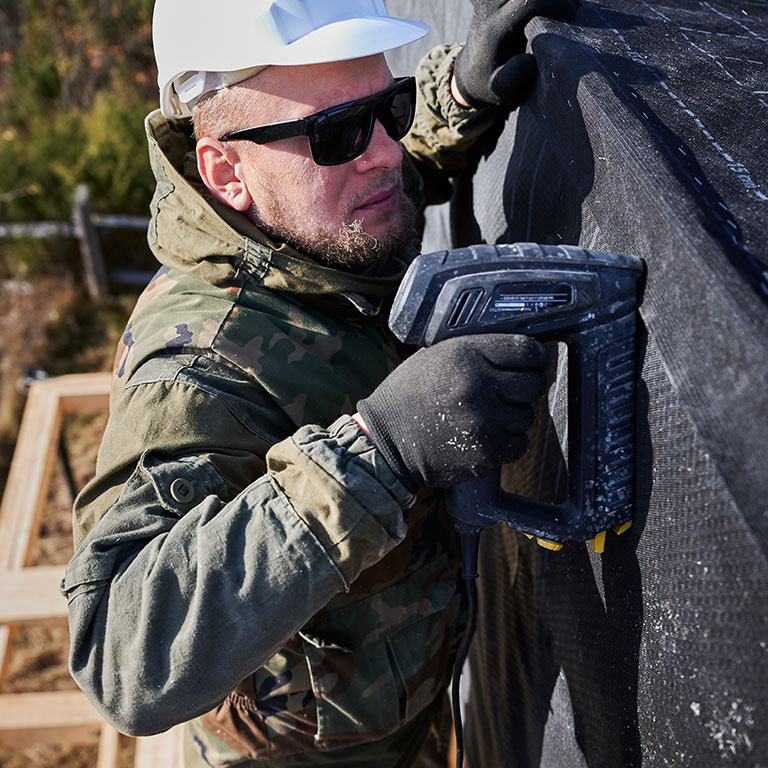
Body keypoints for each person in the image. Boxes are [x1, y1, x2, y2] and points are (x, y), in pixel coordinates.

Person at [62, 1, 578, 766]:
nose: (380, 154)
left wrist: (451, 100)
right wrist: (379, 453)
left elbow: (363, 180)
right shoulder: (200, 374)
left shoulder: (303, 212)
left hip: (410, 725)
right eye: (336, 133)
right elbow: (119, 658)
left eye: (388, 108)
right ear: (226, 172)